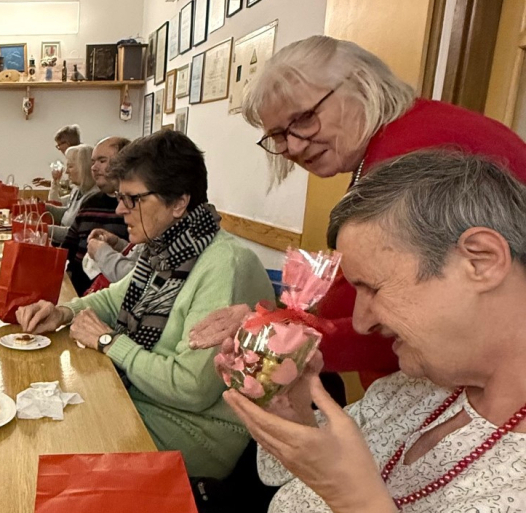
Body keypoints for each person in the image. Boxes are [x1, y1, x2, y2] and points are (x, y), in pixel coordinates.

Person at [224, 151, 526, 513]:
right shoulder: (416, 387)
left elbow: (347, 489)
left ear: (481, 261)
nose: (361, 322)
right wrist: (291, 407)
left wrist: (357, 501)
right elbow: (294, 476)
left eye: (374, 288)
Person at [188, 35, 526, 389]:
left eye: (303, 119)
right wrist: (275, 322)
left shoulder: (410, 156)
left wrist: (277, 338)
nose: (294, 146)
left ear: (361, 84)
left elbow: (397, 328)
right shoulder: (395, 139)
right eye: (278, 137)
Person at [15, 131, 275, 478]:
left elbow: (191, 388)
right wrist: (63, 312)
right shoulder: (167, 247)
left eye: (132, 199)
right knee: (37, 412)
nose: (120, 209)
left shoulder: (225, 265)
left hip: (195, 434)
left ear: (179, 203)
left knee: (47, 439)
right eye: (121, 197)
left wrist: (110, 342)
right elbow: (113, 297)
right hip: (143, 401)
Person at [61, 136, 132, 295]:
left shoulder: (136, 208)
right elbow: (68, 246)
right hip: (76, 293)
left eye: (101, 161)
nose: (93, 167)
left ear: (124, 164)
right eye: (93, 162)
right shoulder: (91, 201)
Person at [47, 144, 97, 245]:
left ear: (83, 168)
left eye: (70, 166)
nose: (66, 171)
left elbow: (74, 233)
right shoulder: (78, 190)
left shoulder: (94, 197)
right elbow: (66, 213)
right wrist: (43, 208)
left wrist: (42, 228)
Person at [46, 124, 83, 200]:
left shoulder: (84, 158)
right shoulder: (76, 193)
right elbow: (56, 201)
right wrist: (54, 181)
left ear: (68, 143)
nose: (59, 148)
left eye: (60, 145)